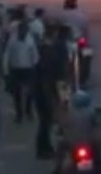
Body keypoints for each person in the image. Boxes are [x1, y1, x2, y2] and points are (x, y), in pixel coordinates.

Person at [32, 23, 62, 159]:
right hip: (44, 92)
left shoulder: (42, 49)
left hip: (41, 90)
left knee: (45, 122)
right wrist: (50, 97)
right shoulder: (47, 51)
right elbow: (46, 77)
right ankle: (43, 148)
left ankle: (46, 146)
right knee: (45, 121)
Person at [3, 19, 38, 122]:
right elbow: (7, 54)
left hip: (28, 69)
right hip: (15, 69)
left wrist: (34, 67)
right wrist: (5, 70)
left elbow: (35, 56)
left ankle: (28, 110)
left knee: (30, 92)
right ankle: (19, 114)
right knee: (16, 93)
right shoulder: (12, 40)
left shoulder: (30, 41)